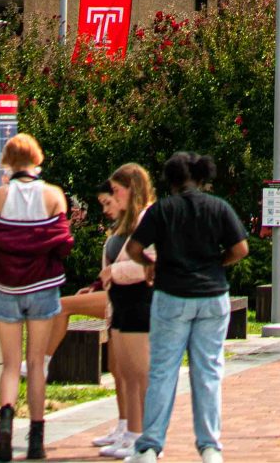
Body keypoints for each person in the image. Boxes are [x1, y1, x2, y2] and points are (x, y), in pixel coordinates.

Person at [130, 152, 249, 463]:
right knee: (208, 371)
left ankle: (150, 446)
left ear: (170, 180)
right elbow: (240, 248)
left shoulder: (162, 210)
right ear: (201, 177)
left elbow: (134, 248)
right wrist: (219, 263)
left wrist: (149, 263)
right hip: (212, 295)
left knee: (163, 371)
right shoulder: (218, 207)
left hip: (171, 294)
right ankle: (210, 447)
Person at [0, 133, 75, 463]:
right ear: (37, 159)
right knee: (35, 363)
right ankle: (36, 440)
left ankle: (4, 428)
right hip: (43, 285)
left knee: (9, 364)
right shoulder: (54, 195)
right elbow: (63, 242)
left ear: (7, 161)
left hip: (5, 286)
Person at [60, 164, 156, 459]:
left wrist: (114, 272)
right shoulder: (126, 223)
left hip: (141, 301)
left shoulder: (149, 219)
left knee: (140, 373)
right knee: (126, 372)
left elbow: (152, 264)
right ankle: (132, 433)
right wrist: (101, 281)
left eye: (116, 191)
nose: (112, 197)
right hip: (121, 304)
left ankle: (146, 438)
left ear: (132, 188)